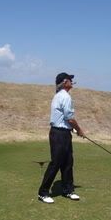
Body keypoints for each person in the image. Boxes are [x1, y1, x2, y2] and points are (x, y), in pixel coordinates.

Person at [38, 72, 85, 204]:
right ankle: (43, 192)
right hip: (59, 134)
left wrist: (73, 129)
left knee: (68, 162)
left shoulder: (60, 95)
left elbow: (66, 119)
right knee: (56, 163)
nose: (72, 81)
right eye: (70, 79)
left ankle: (68, 190)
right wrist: (79, 129)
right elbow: (69, 118)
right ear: (65, 82)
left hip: (63, 133)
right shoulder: (65, 96)